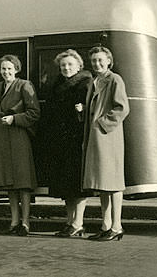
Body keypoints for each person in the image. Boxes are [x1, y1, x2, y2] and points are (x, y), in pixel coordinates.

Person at [0, 54, 40, 236]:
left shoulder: (25, 85)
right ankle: (14, 220)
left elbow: (34, 113)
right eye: (3, 68)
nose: (6, 72)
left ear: (16, 69)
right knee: (9, 182)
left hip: (18, 137)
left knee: (22, 182)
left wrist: (15, 119)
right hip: (1, 137)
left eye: (9, 68)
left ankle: (25, 223)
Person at [83, 46, 130, 242]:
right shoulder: (94, 81)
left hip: (108, 138)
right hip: (97, 138)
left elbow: (122, 107)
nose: (97, 64)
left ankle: (117, 226)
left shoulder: (114, 79)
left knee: (113, 182)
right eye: (94, 60)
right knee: (103, 183)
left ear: (109, 61)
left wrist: (101, 124)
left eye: (101, 60)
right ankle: (106, 224)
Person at [46, 49, 92, 237]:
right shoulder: (57, 84)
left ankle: (78, 223)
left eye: (70, 64)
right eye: (63, 65)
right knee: (66, 185)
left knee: (77, 185)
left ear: (79, 66)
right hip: (61, 140)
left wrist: (82, 110)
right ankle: (69, 222)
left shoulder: (85, 83)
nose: (66, 68)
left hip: (76, 139)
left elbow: (92, 110)